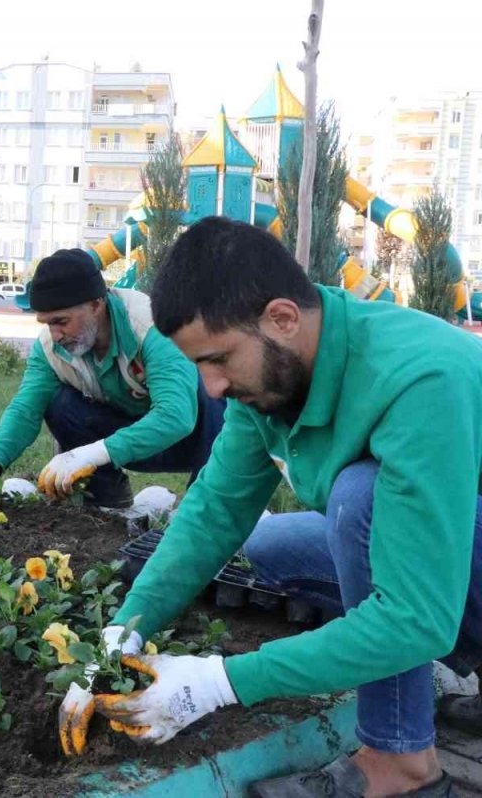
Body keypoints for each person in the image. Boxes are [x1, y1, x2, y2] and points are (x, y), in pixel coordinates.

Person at [77, 216, 476, 797]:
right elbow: (215, 509)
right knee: (268, 545)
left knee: (358, 503)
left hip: (451, 560)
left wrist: (221, 681)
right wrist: (125, 631)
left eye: (218, 360)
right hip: (456, 542)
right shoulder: (272, 376)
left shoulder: (421, 377)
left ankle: (400, 768)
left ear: (282, 318)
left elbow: (415, 617)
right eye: (198, 367)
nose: (210, 388)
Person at [0, 248, 225, 518]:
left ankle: (207, 504)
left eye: (61, 322)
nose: (55, 335)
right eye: (47, 323)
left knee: (210, 388)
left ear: (96, 305)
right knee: (59, 403)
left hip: (196, 440)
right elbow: (25, 409)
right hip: (133, 443)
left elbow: (176, 417)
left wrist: (93, 453)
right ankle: (106, 498)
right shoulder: (49, 349)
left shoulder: (151, 327)